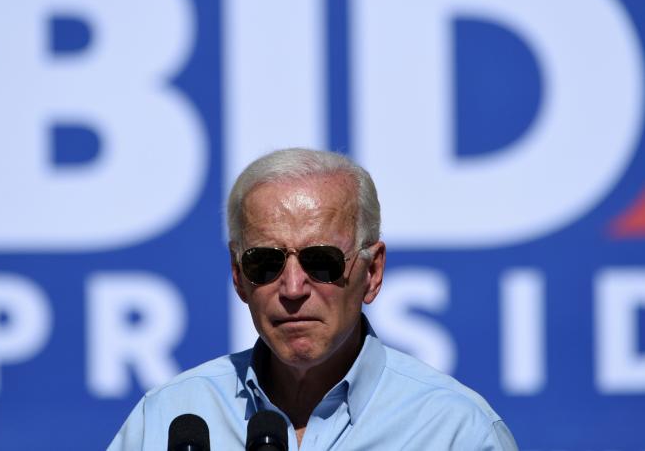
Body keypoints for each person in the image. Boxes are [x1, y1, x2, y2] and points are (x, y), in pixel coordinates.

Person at [107, 148, 518, 450]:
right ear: (238, 276)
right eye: (264, 262)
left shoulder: (454, 430)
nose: (292, 288)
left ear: (372, 273)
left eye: (321, 261)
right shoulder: (163, 419)